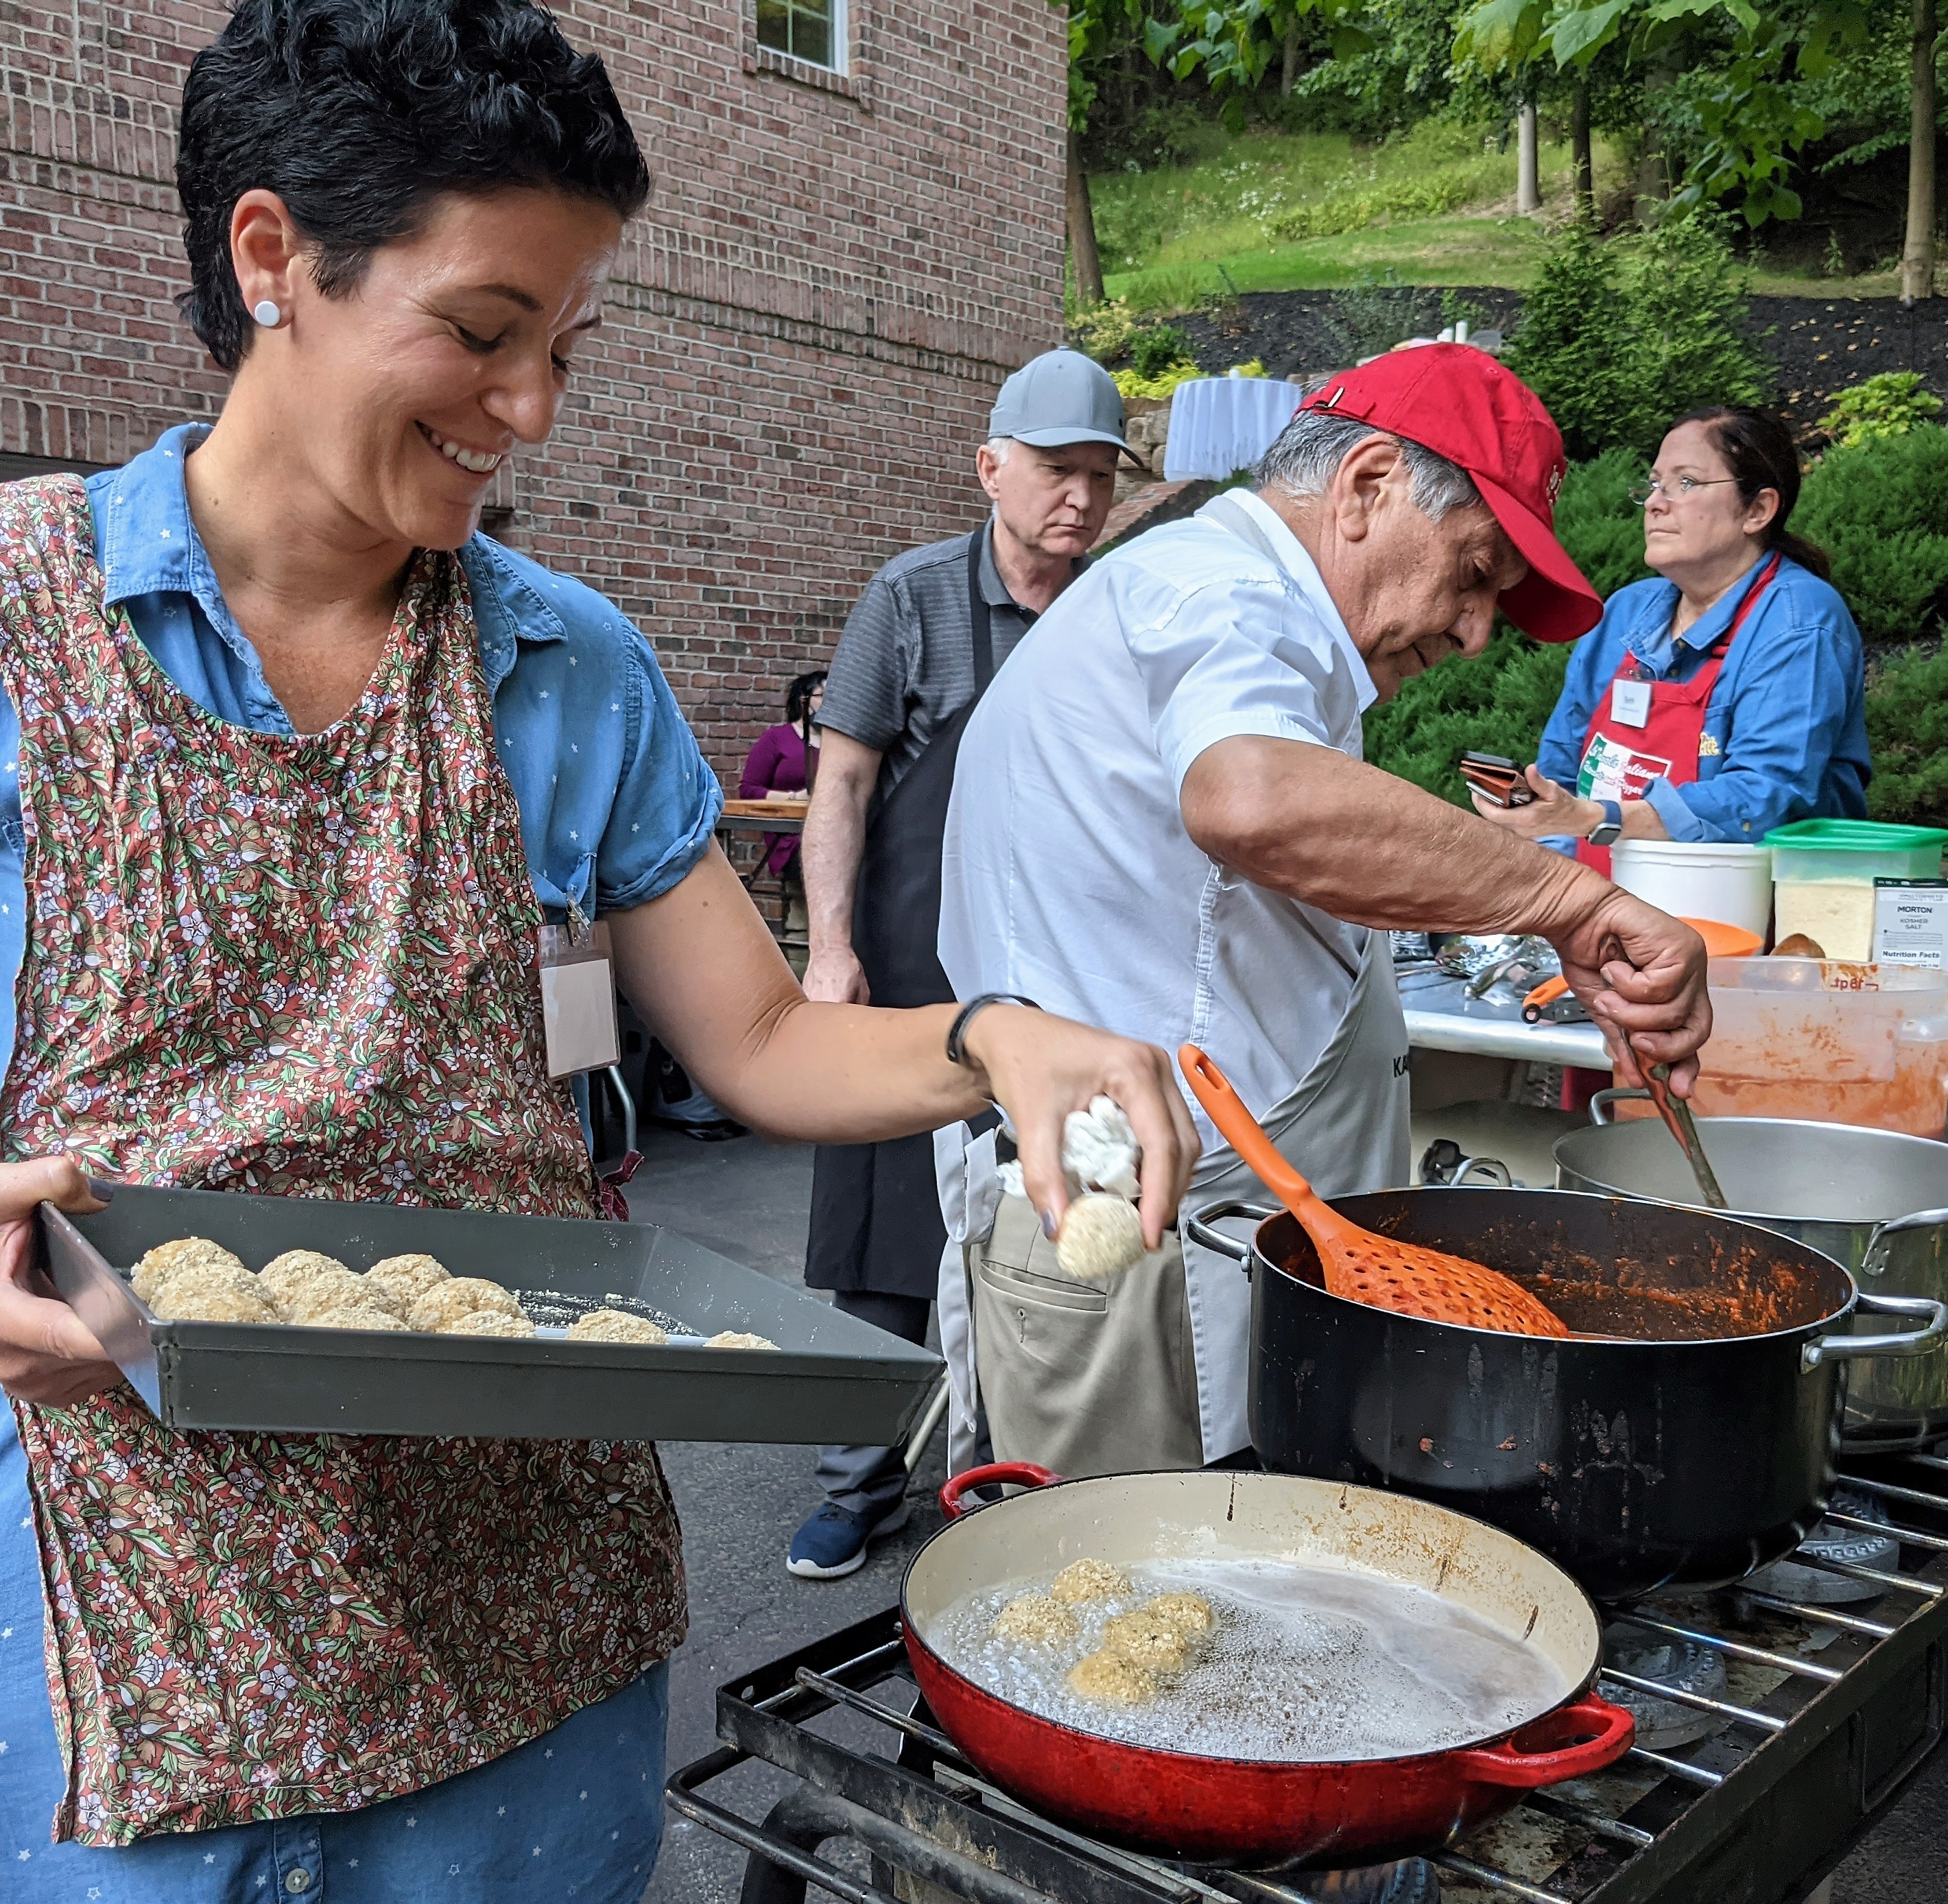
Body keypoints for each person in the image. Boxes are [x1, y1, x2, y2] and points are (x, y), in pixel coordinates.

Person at [0, 7, 1199, 1899]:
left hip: (500, 1615)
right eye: (483, 334)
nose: (532, 411)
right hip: (59, 1596)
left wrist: (999, 1037)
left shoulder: (570, 666)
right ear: (272, 261)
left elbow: (752, 1043)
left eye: (567, 346)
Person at [938, 344, 1711, 1486]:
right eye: (1474, 573)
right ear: (1364, 486)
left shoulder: (1256, 616)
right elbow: (1249, 798)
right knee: (1125, 1619)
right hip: (1142, 1242)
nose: (1474, 632)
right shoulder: (1223, 591)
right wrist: (1563, 897)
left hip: (1199, 1234)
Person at [787, 348, 1128, 1580]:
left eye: (1099, 476)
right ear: (990, 468)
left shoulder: (1115, 610)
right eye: (1055, 470)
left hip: (1061, 970)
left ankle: (1020, 1471)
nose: (1078, 499)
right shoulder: (913, 598)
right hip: (912, 968)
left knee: (1052, 1214)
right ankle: (858, 1480)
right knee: (884, 1226)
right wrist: (829, 953)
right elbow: (843, 780)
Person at [1469, 405, 1868, 868]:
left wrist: (1596, 817)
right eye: (1655, 484)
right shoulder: (1626, 612)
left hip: (1745, 922)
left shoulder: (1799, 622)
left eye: (1686, 483)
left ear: (1757, 510)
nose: (1657, 502)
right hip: (1601, 912)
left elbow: (1762, 799)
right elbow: (1561, 777)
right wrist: (1559, 899)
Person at [737, 667, 824, 880]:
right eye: (823, 696)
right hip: (791, 839)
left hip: (830, 831)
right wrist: (794, 798)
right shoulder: (777, 738)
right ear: (804, 700)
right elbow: (748, 790)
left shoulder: (838, 744)